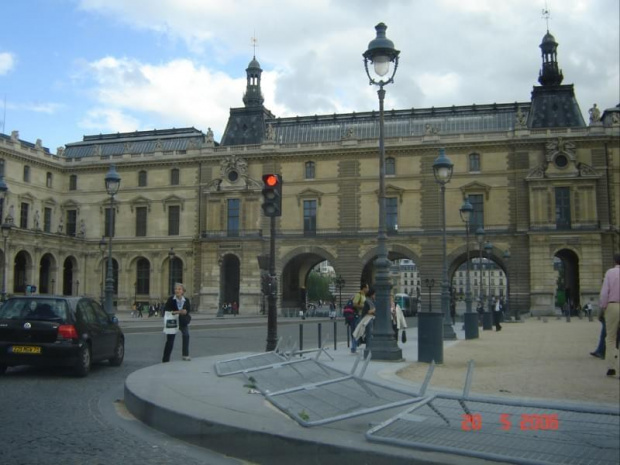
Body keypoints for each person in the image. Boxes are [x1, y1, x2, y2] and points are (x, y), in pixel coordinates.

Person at [598, 253, 620, 377]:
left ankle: (611, 367)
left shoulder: (610, 273)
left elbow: (604, 293)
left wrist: (603, 307)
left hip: (613, 305)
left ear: (615, 261)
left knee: (611, 338)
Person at [162, 282, 192, 363]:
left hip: (182, 322)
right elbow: (166, 310)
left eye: (179, 289)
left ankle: (185, 355)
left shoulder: (186, 300)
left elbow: (188, 310)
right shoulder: (171, 299)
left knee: (186, 335)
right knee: (170, 340)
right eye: (176, 289)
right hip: (172, 322)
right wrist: (178, 312)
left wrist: (185, 312)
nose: (177, 290)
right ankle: (165, 359)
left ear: (183, 291)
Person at [353, 287, 376, 358]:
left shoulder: (371, 301)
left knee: (370, 335)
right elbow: (366, 312)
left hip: (371, 319)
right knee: (369, 335)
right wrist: (374, 310)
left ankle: (369, 350)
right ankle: (368, 351)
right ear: (372, 294)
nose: (375, 296)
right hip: (368, 320)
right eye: (375, 294)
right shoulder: (367, 301)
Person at [349, 282, 368, 354]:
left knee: (359, 331)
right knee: (356, 332)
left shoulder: (364, 296)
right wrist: (364, 307)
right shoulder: (358, 295)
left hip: (361, 316)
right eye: (367, 287)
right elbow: (354, 304)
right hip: (357, 316)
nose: (368, 289)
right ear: (364, 288)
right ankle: (353, 348)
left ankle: (355, 346)